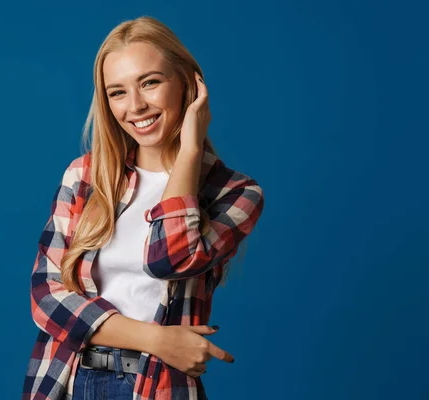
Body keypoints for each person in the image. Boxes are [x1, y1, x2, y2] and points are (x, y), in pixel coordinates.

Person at [22, 16, 265, 400]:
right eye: (117, 92)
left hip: (157, 387)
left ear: (189, 83)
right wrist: (157, 340)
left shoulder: (235, 193)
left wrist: (188, 151)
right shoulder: (85, 176)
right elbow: (47, 297)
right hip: (65, 380)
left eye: (150, 82)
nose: (135, 106)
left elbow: (169, 260)